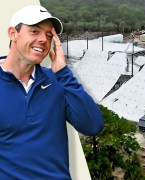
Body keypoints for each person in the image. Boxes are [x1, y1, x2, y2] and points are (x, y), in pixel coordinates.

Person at [0, 5, 104, 179]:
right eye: (34, 31)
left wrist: (63, 73)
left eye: (49, 35)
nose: (43, 39)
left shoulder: (58, 81)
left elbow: (92, 126)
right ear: (13, 33)